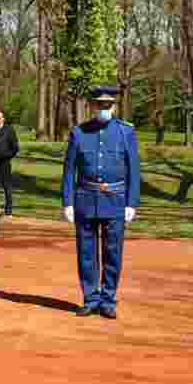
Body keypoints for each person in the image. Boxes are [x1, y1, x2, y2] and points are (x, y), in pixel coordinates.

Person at [60, 87, 141, 320]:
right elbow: (69, 171)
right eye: (99, 105)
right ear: (92, 106)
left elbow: (134, 170)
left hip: (116, 201)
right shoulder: (79, 133)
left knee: (112, 252)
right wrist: (68, 202)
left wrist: (131, 203)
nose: (104, 109)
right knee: (86, 252)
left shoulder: (126, 132)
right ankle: (90, 297)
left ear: (113, 107)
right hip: (85, 199)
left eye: (108, 106)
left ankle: (107, 299)